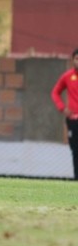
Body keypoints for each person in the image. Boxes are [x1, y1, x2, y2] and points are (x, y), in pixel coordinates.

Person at [51, 48, 78, 180]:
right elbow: (55, 92)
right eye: (77, 59)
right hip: (73, 121)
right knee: (75, 150)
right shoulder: (68, 76)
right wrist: (62, 108)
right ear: (73, 60)